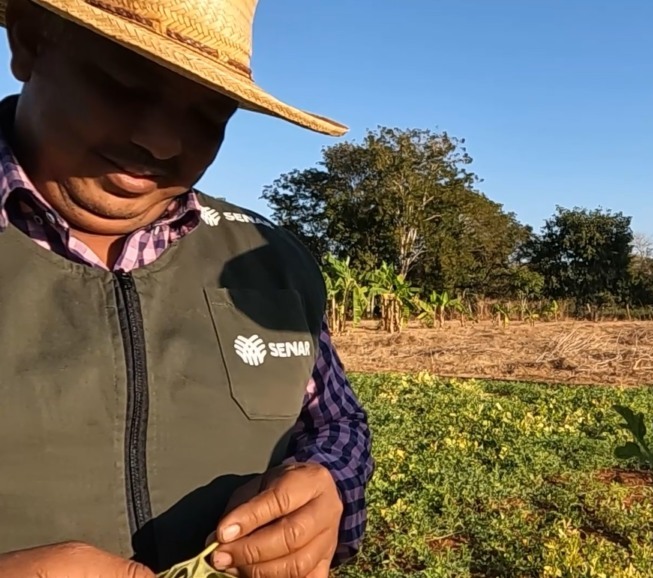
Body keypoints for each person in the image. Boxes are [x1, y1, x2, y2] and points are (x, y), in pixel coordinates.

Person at [0, 0, 373, 577]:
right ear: (29, 43)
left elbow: (335, 424)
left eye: (208, 115)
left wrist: (329, 488)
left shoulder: (268, 260)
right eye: (124, 84)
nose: (163, 142)